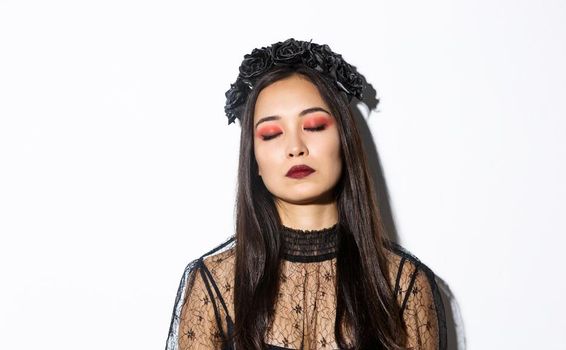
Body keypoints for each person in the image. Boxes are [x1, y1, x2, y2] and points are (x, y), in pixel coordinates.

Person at [165, 38, 446, 350]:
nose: (296, 147)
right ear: (253, 160)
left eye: (313, 126)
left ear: (344, 141)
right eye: (271, 134)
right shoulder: (214, 286)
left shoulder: (403, 286)